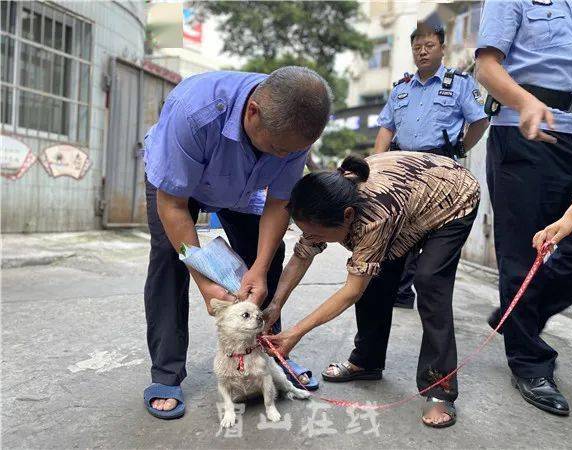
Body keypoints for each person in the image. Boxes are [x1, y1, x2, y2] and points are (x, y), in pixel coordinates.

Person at [142, 67, 331, 419]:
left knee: (269, 258)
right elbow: (173, 205)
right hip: (181, 183)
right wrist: (205, 284)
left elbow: (278, 202)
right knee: (170, 260)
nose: (282, 157)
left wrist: (258, 267)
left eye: (290, 153)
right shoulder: (193, 112)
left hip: (245, 186)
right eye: (277, 148)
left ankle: (271, 354)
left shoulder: (292, 133)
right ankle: (166, 373)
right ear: (252, 112)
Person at [263, 153, 480, 428]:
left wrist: (295, 333)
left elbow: (351, 290)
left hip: (452, 197)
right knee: (375, 277)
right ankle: (367, 362)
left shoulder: (373, 218)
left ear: (348, 216)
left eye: (316, 234)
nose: (311, 239)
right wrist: (275, 305)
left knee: (429, 281)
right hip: (409, 198)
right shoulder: (328, 199)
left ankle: (440, 387)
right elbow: (301, 256)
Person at [476, 0, 572, 416]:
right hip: (525, 133)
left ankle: (517, 315)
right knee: (523, 256)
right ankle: (530, 362)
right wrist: (525, 102)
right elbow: (488, 68)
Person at [374, 22, 488, 309]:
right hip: (401, 167)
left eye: (429, 46)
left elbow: (480, 121)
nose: (422, 52)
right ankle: (398, 292)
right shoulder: (401, 89)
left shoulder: (460, 84)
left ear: (442, 49)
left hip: (439, 170)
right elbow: (386, 129)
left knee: (429, 232)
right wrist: (376, 165)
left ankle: (417, 290)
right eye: (417, 48)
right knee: (399, 228)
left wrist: (461, 148)